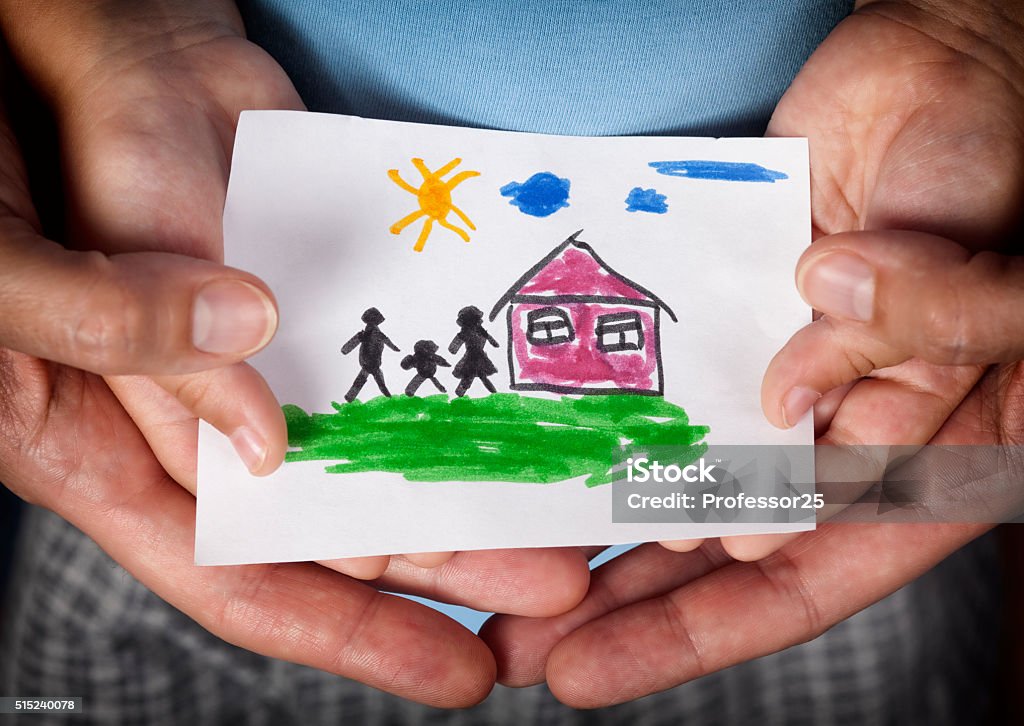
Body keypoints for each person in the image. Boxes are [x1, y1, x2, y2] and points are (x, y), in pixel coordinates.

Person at [0, 0, 1020, 722]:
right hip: (166, 415)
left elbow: (983, 465)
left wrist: (986, 31)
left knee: (921, 508)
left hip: (853, 431)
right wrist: (99, 30)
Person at [341, 307, 400, 401]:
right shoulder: (375, 332)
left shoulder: (364, 334)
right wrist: (394, 348)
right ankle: (388, 396)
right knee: (379, 380)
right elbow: (386, 340)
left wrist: (345, 350)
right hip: (373, 362)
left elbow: (350, 345)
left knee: (364, 378)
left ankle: (350, 396)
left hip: (366, 361)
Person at [449, 305, 500, 397]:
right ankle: (459, 394)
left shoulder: (478, 331)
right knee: (473, 377)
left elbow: (452, 348)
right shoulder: (469, 332)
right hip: (473, 357)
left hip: (477, 356)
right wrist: (493, 342)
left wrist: (493, 342)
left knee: (475, 376)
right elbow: (453, 348)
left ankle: (495, 394)